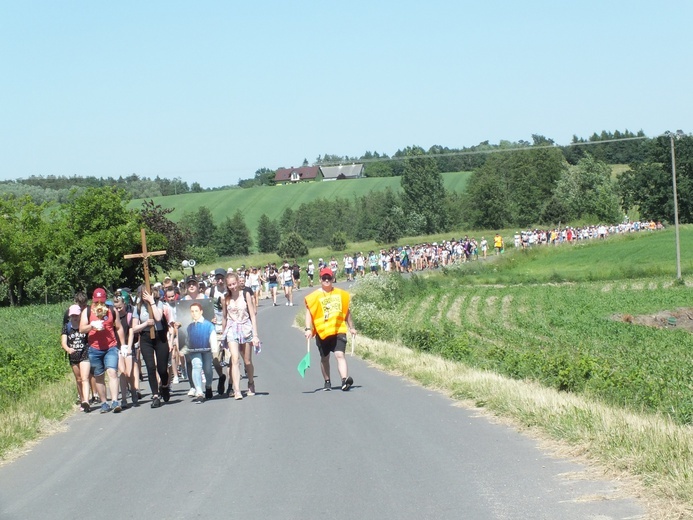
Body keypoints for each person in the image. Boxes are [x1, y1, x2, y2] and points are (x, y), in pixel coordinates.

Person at [304, 267, 356, 392]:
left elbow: (346, 312)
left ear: (333, 279)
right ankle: (327, 381)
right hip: (322, 333)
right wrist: (307, 329)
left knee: (340, 354)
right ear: (320, 279)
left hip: (338, 329)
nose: (327, 280)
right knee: (325, 358)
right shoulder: (314, 296)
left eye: (329, 278)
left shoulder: (340, 294)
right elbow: (309, 313)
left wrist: (352, 327)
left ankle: (344, 381)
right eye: (324, 278)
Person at [79, 288, 127, 413]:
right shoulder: (87, 311)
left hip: (111, 346)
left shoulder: (112, 310)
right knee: (99, 376)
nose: (99, 303)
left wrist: (123, 345)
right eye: (96, 300)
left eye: (101, 300)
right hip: (94, 348)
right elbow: (81, 329)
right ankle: (104, 402)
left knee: (112, 372)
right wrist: (92, 325)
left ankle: (115, 401)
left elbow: (119, 327)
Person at [131, 285, 171, 409]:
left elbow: (158, 318)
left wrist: (152, 302)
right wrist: (145, 324)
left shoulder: (158, 303)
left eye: (147, 293)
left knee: (162, 369)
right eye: (143, 294)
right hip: (146, 338)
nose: (145, 296)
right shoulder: (138, 307)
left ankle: (164, 385)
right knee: (150, 367)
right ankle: (155, 396)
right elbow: (134, 328)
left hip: (160, 337)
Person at [185, 302, 218, 403]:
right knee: (197, 365)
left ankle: (208, 385)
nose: (194, 313)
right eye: (192, 311)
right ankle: (199, 392)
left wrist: (214, 349)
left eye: (196, 311)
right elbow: (186, 339)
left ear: (201, 311)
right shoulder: (189, 326)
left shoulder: (208, 325)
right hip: (194, 349)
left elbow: (212, 336)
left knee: (207, 369)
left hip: (206, 350)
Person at [61, 304, 91, 412]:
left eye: (76, 315)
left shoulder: (84, 326)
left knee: (84, 378)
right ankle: (82, 399)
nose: (75, 317)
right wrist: (68, 349)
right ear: (70, 316)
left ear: (80, 315)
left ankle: (86, 401)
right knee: (78, 379)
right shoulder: (67, 327)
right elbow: (63, 342)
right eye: (72, 315)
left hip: (84, 354)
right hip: (73, 357)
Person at [112, 294, 139, 408]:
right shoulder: (113, 316)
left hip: (128, 346)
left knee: (129, 372)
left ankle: (133, 390)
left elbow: (132, 331)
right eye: (116, 307)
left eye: (120, 307)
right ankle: (123, 398)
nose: (118, 309)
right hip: (117, 346)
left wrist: (129, 347)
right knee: (122, 372)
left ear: (125, 304)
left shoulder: (129, 315)